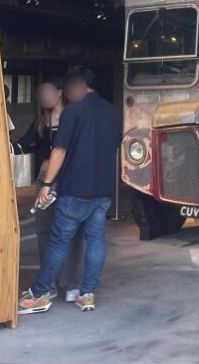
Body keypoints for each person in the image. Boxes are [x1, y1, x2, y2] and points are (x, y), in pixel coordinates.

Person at [18, 66, 122, 313]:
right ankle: (87, 293)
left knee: (58, 242)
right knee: (95, 241)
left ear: (79, 87)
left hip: (75, 188)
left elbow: (59, 151)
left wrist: (45, 185)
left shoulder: (73, 112)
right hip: (103, 190)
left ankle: (40, 294)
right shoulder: (113, 112)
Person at [14, 79, 84, 302]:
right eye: (40, 95)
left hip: (70, 180)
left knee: (72, 232)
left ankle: (71, 283)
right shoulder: (40, 123)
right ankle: (49, 283)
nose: (45, 98)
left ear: (60, 92)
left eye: (48, 92)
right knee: (44, 231)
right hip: (45, 180)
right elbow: (23, 144)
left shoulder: (73, 118)